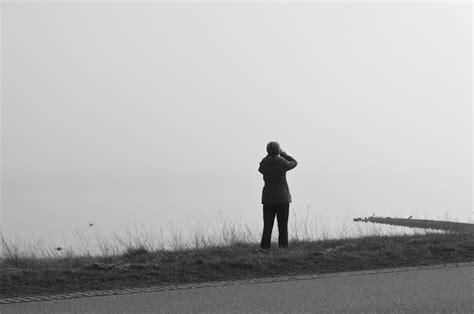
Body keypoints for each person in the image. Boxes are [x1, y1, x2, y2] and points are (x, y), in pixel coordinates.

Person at [258, 141, 297, 249]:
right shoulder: (282, 162)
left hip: (268, 199)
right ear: (278, 150)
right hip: (282, 198)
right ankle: (283, 247)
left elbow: (260, 168)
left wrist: (269, 155)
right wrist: (283, 153)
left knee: (267, 226)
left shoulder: (264, 163)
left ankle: (265, 247)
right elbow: (294, 162)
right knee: (283, 226)